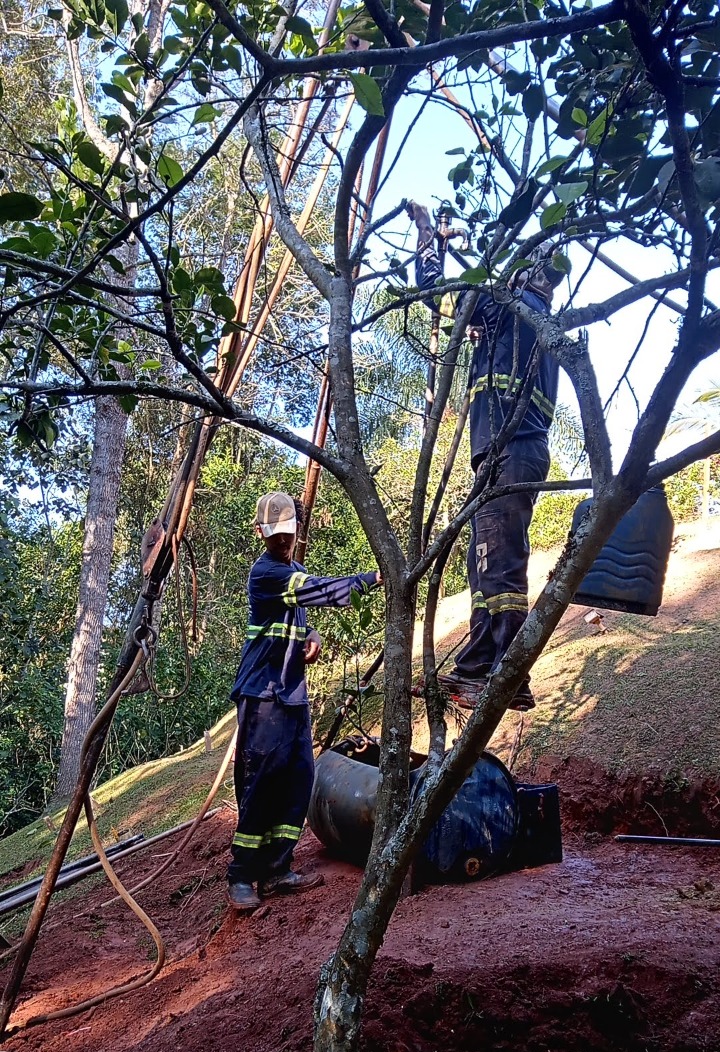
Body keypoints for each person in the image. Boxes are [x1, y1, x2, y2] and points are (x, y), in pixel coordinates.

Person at [407, 200, 563, 712]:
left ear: (524, 275)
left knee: (496, 564)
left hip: (506, 452)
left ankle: (502, 675)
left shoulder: (507, 309)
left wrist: (427, 234)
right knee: (489, 564)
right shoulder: (534, 322)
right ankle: (485, 667)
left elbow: (436, 292)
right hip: (514, 453)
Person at [227, 491, 383, 912]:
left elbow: (301, 613)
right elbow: (314, 590)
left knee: (298, 777)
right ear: (260, 533)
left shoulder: (294, 572)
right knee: (260, 782)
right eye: (274, 533)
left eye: (288, 530)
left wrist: (311, 635)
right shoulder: (266, 573)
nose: (283, 539)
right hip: (262, 693)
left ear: (297, 528)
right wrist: (371, 578)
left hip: (292, 693)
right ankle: (241, 876)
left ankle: (277, 869)